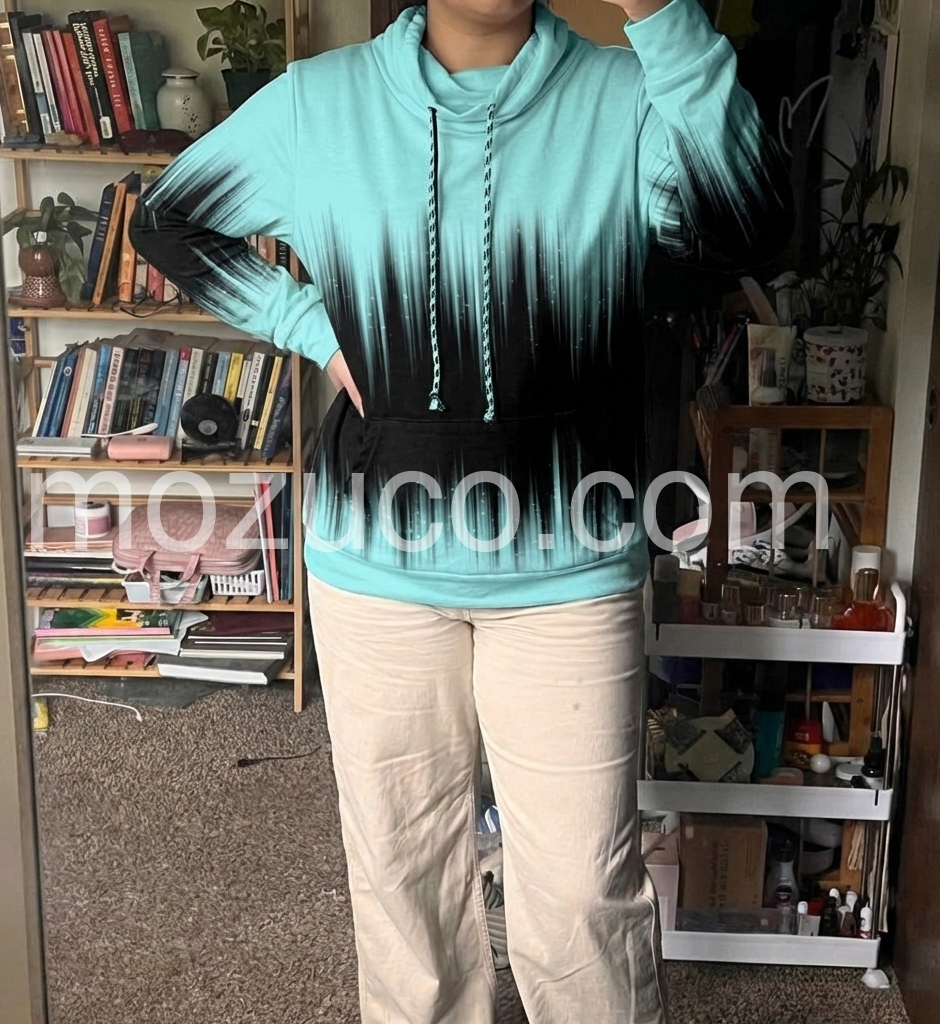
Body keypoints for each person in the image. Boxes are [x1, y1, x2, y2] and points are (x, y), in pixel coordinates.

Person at [131, 1, 791, 1020]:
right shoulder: (320, 104)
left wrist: (662, 15)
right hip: (374, 572)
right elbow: (169, 220)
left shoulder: (627, 97)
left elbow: (753, 228)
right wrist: (310, 326)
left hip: (571, 571)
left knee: (582, 901)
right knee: (406, 894)